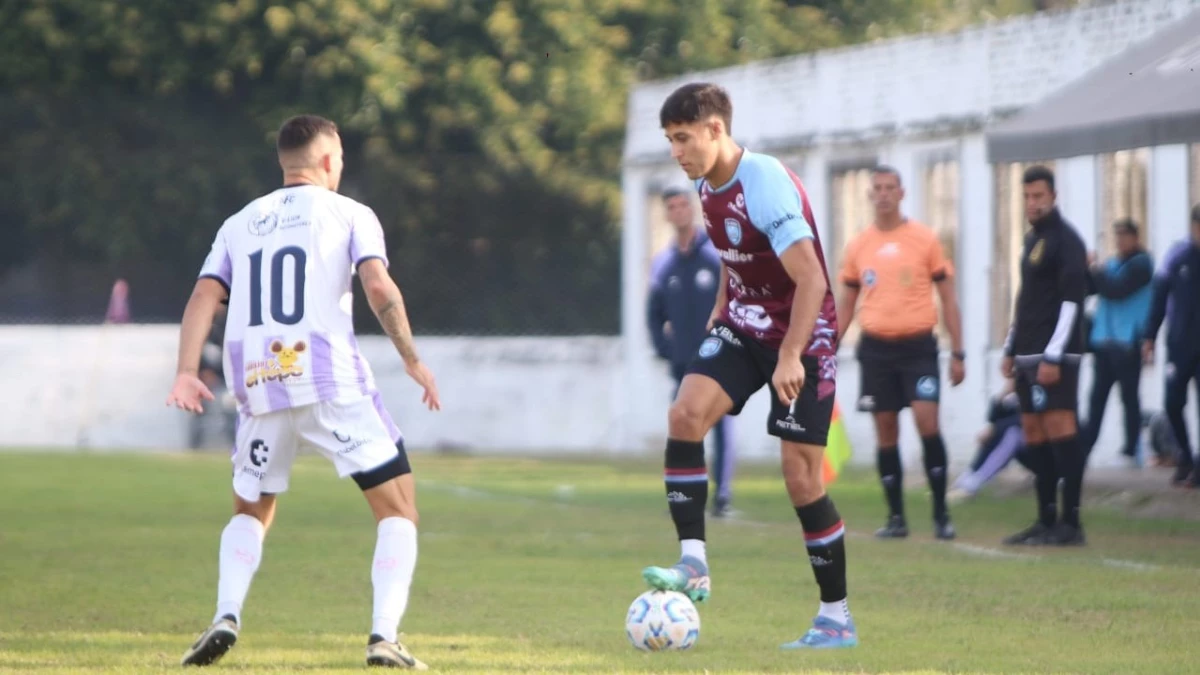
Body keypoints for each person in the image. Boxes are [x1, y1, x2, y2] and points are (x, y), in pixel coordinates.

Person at [165, 115, 440, 669]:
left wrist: (185, 370)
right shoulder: (351, 214)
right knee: (398, 510)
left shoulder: (240, 221)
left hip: (258, 386)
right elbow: (378, 284)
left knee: (251, 508)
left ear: (283, 163)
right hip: (329, 380)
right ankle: (383, 636)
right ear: (329, 161)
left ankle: (226, 613)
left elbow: (203, 295)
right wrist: (412, 358)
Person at [641, 82, 855, 649]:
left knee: (801, 478)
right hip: (743, 323)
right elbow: (739, 258)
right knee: (685, 415)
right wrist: (720, 309)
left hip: (803, 337)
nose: (676, 151)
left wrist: (791, 355)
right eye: (669, 140)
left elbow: (810, 277)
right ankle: (693, 562)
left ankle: (835, 617)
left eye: (682, 138)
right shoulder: (702, 182)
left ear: (716, 130)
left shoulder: (764, 183)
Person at [836, 166, 964, 541]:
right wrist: (827, 348)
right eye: (877, 188)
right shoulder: (859, 245)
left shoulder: (924, 239)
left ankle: (941, 512)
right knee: (886, 430)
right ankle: (896, 517)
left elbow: (948, 297)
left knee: (927, 422)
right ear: (870, 195)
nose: (884, 194)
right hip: (876, 350)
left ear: (902, 193)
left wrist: (958, 351)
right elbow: (847, 301)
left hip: (918, 347)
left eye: (890, 187)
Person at [1000, 165, 1089, 547]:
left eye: (1038, 196)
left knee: (1061, 429)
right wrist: (1010, 346)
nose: (1032, 203)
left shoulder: (1068, 241)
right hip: (1027, 353)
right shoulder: (1032, 240)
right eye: (1027, 197)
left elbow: (1072, 301)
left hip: (1056, 356)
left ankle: (1071, 523)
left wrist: (1054, 355)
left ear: (1053, 196)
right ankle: (1045, 519)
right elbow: (1026, 300)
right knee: (1033, 431)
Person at [648, 187, 738, 516]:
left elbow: (734, 297)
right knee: (685, 426)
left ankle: (723, 495)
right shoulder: (663, 263)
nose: (679, 211)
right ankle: (689, 492)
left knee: (721, 425)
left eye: (684, 205)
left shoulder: (714, 255)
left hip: (718, 359)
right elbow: (653, 314)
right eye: (672, 207)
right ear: (667, 214)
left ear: (693, 209)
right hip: (683, 362)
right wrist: (666, 349)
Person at [1081, 218, 1153, 465]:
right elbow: (1092, 288)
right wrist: (1084, 269)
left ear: (1136, 238)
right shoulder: (1111, 264)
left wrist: (1094, 269)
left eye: (1125, 235)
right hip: (1104, 343)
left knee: (1129, 399)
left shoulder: (1142, 265)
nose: (1120, 241)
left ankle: (1131, 451)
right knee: (1096, 399)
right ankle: (1083, 450)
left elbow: (1116, 290)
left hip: (1127, 343)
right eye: (1117, 236)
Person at [1142, 204, 1200, 488]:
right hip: (1180, 345)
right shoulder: (1177, 256)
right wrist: (1149, 336)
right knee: (1173, 404)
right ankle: (1184, 457)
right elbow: (1159, 298)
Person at [947, 380, 1033, 502]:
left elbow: (1026, 420)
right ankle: (966, 479)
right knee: (996, 435)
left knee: (1013, 435)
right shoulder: (1018, 398)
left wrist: (994, 429)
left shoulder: (1039, 393)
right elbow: (993, 418)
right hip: (1028, 450)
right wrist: (1004, 393)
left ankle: (972, 486)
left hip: (1045, 454)